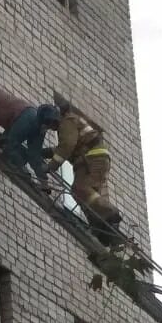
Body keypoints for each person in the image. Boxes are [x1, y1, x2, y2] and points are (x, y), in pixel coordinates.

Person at [44, 100, 122, 244]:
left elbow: (67, 146)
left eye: (50, 123)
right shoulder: (70, 122)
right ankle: (101, 229)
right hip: (89, 160)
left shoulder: (66, 122)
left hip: (92, 159)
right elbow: (69, 147)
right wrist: (47, 152)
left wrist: (51, 166)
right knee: (84, 195)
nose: (51, 128)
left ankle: (110, 214)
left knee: (81, 188)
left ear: (56, 117)